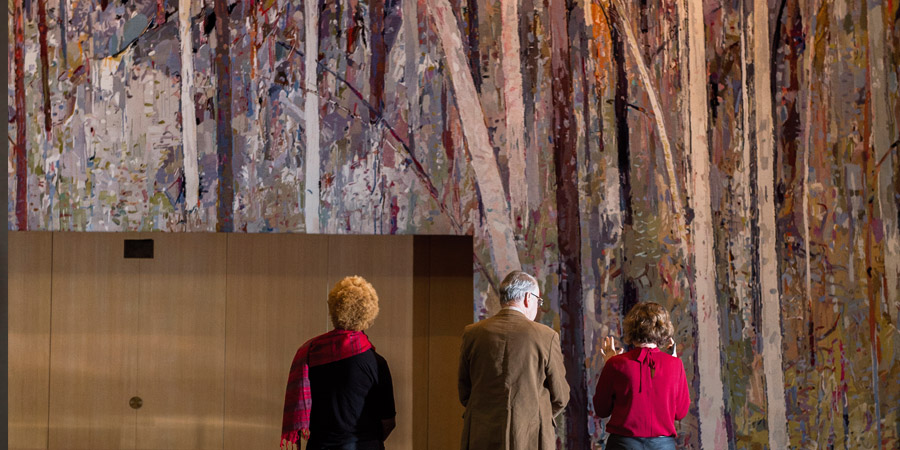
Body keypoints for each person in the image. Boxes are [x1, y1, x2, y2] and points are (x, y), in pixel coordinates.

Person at [458, 270, 570, 450]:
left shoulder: (472, 334)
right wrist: (533, 416)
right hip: (530, 438)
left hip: (481, 434)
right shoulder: (545, 336)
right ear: (528, 298)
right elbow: (561, 396)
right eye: (538, 301)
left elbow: (464, 391)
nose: (537, 306)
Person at [281, 276, 396, 450]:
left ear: (335, 309)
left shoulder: (312, 353)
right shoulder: (376, 362)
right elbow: (388, 421)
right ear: (368, 313)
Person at [593, 302, 690, 450]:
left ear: (632, 328)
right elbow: (680, 412)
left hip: (623, 445)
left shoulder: (616, 364)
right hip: (663, 445)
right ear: (663, 329)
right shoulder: (675, 365)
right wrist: (672, 363)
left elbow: (601, 409)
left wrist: (610, 364)